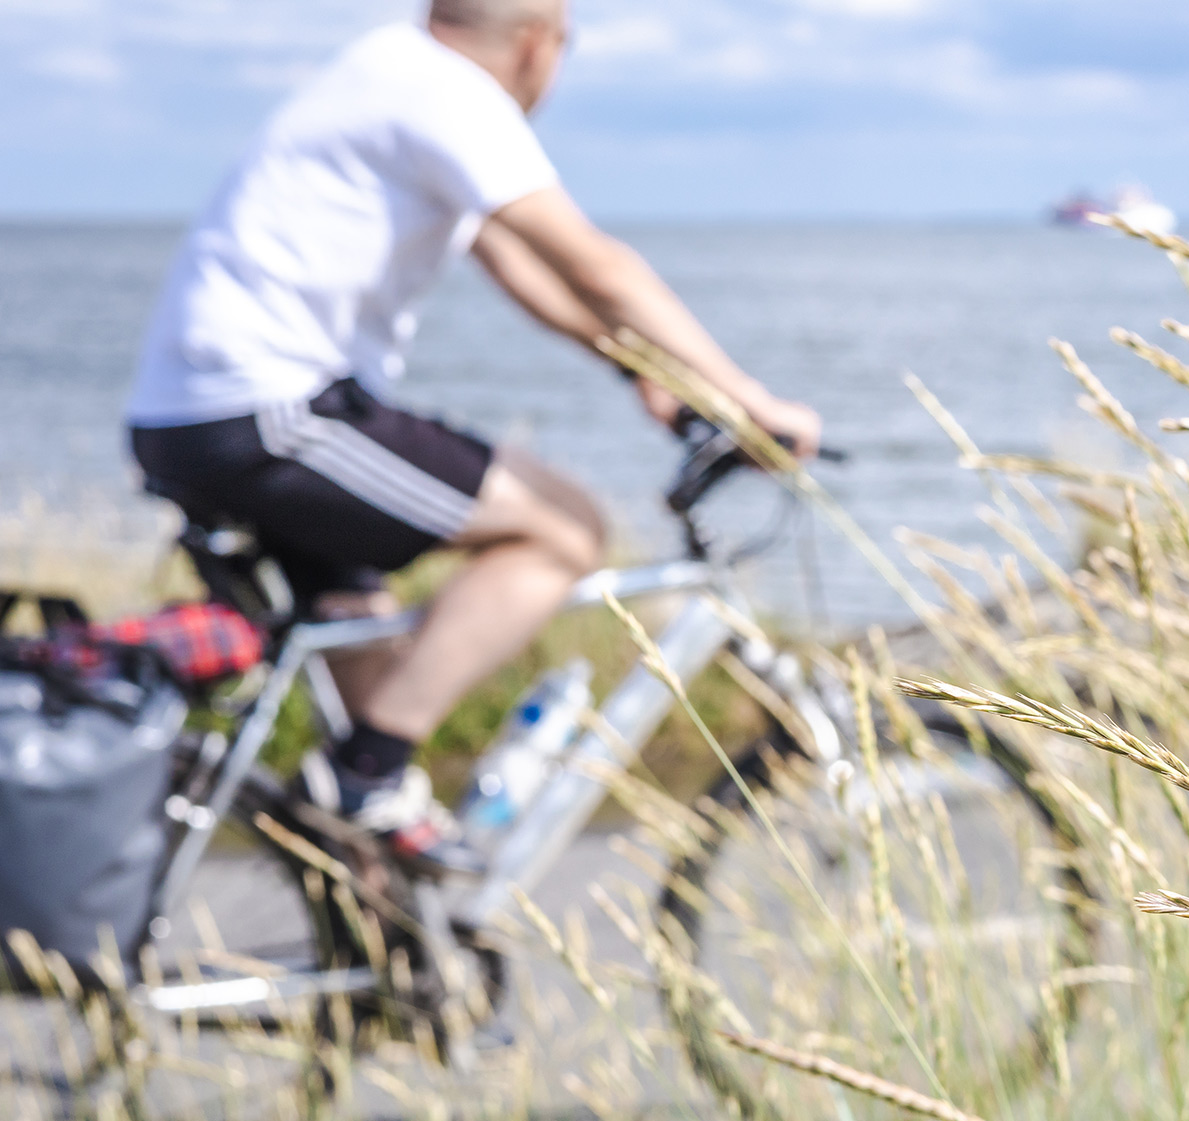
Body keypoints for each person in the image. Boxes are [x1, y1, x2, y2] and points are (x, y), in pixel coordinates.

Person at [124, 0, 819, 875]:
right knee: (563, 527)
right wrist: (748, 398)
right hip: (268, 416)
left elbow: (518, 265)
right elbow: (595, 265)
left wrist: (647, 371)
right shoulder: (448, 94)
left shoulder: (388, 72)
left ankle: (379, 935)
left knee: (364, 640)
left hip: (203, 416)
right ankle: (363, 777)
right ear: (540, 42)